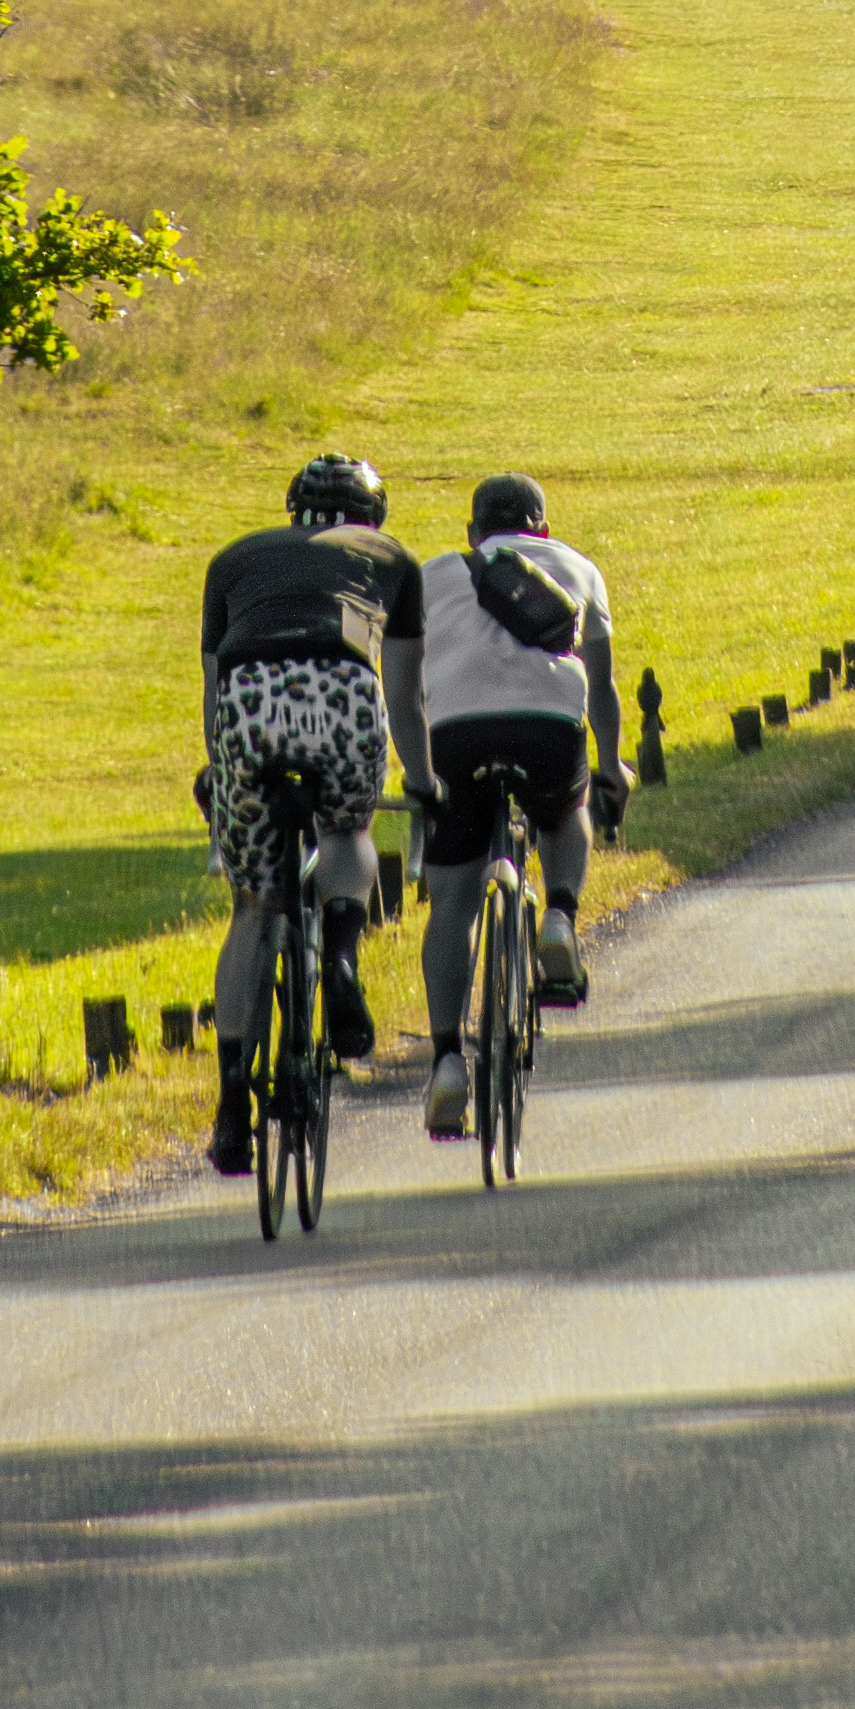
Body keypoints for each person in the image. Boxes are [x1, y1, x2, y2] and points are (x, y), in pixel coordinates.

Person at [195, 446, 418, 1170]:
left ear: (294, 511)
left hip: (248, 709)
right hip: (343, 694)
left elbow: (213, 688)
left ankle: (233, 1101)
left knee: (253, 908)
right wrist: (420, 779)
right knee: (349, 828)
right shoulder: (390, 558)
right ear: (372, 515)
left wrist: (226, 773)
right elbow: (405, 693)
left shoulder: (233, 559)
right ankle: (344, 960)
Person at [394, 474, 626, 1142]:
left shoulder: (434, 574)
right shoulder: (578, 566)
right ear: (542, 529)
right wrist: (610, 767)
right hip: (547, 726)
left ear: (472, 534)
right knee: (564, 807)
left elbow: (403, 686)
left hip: (454, 738)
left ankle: (445, 1059)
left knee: (454, 905)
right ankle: (559, 913)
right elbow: (602, 685)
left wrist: (419, 770)